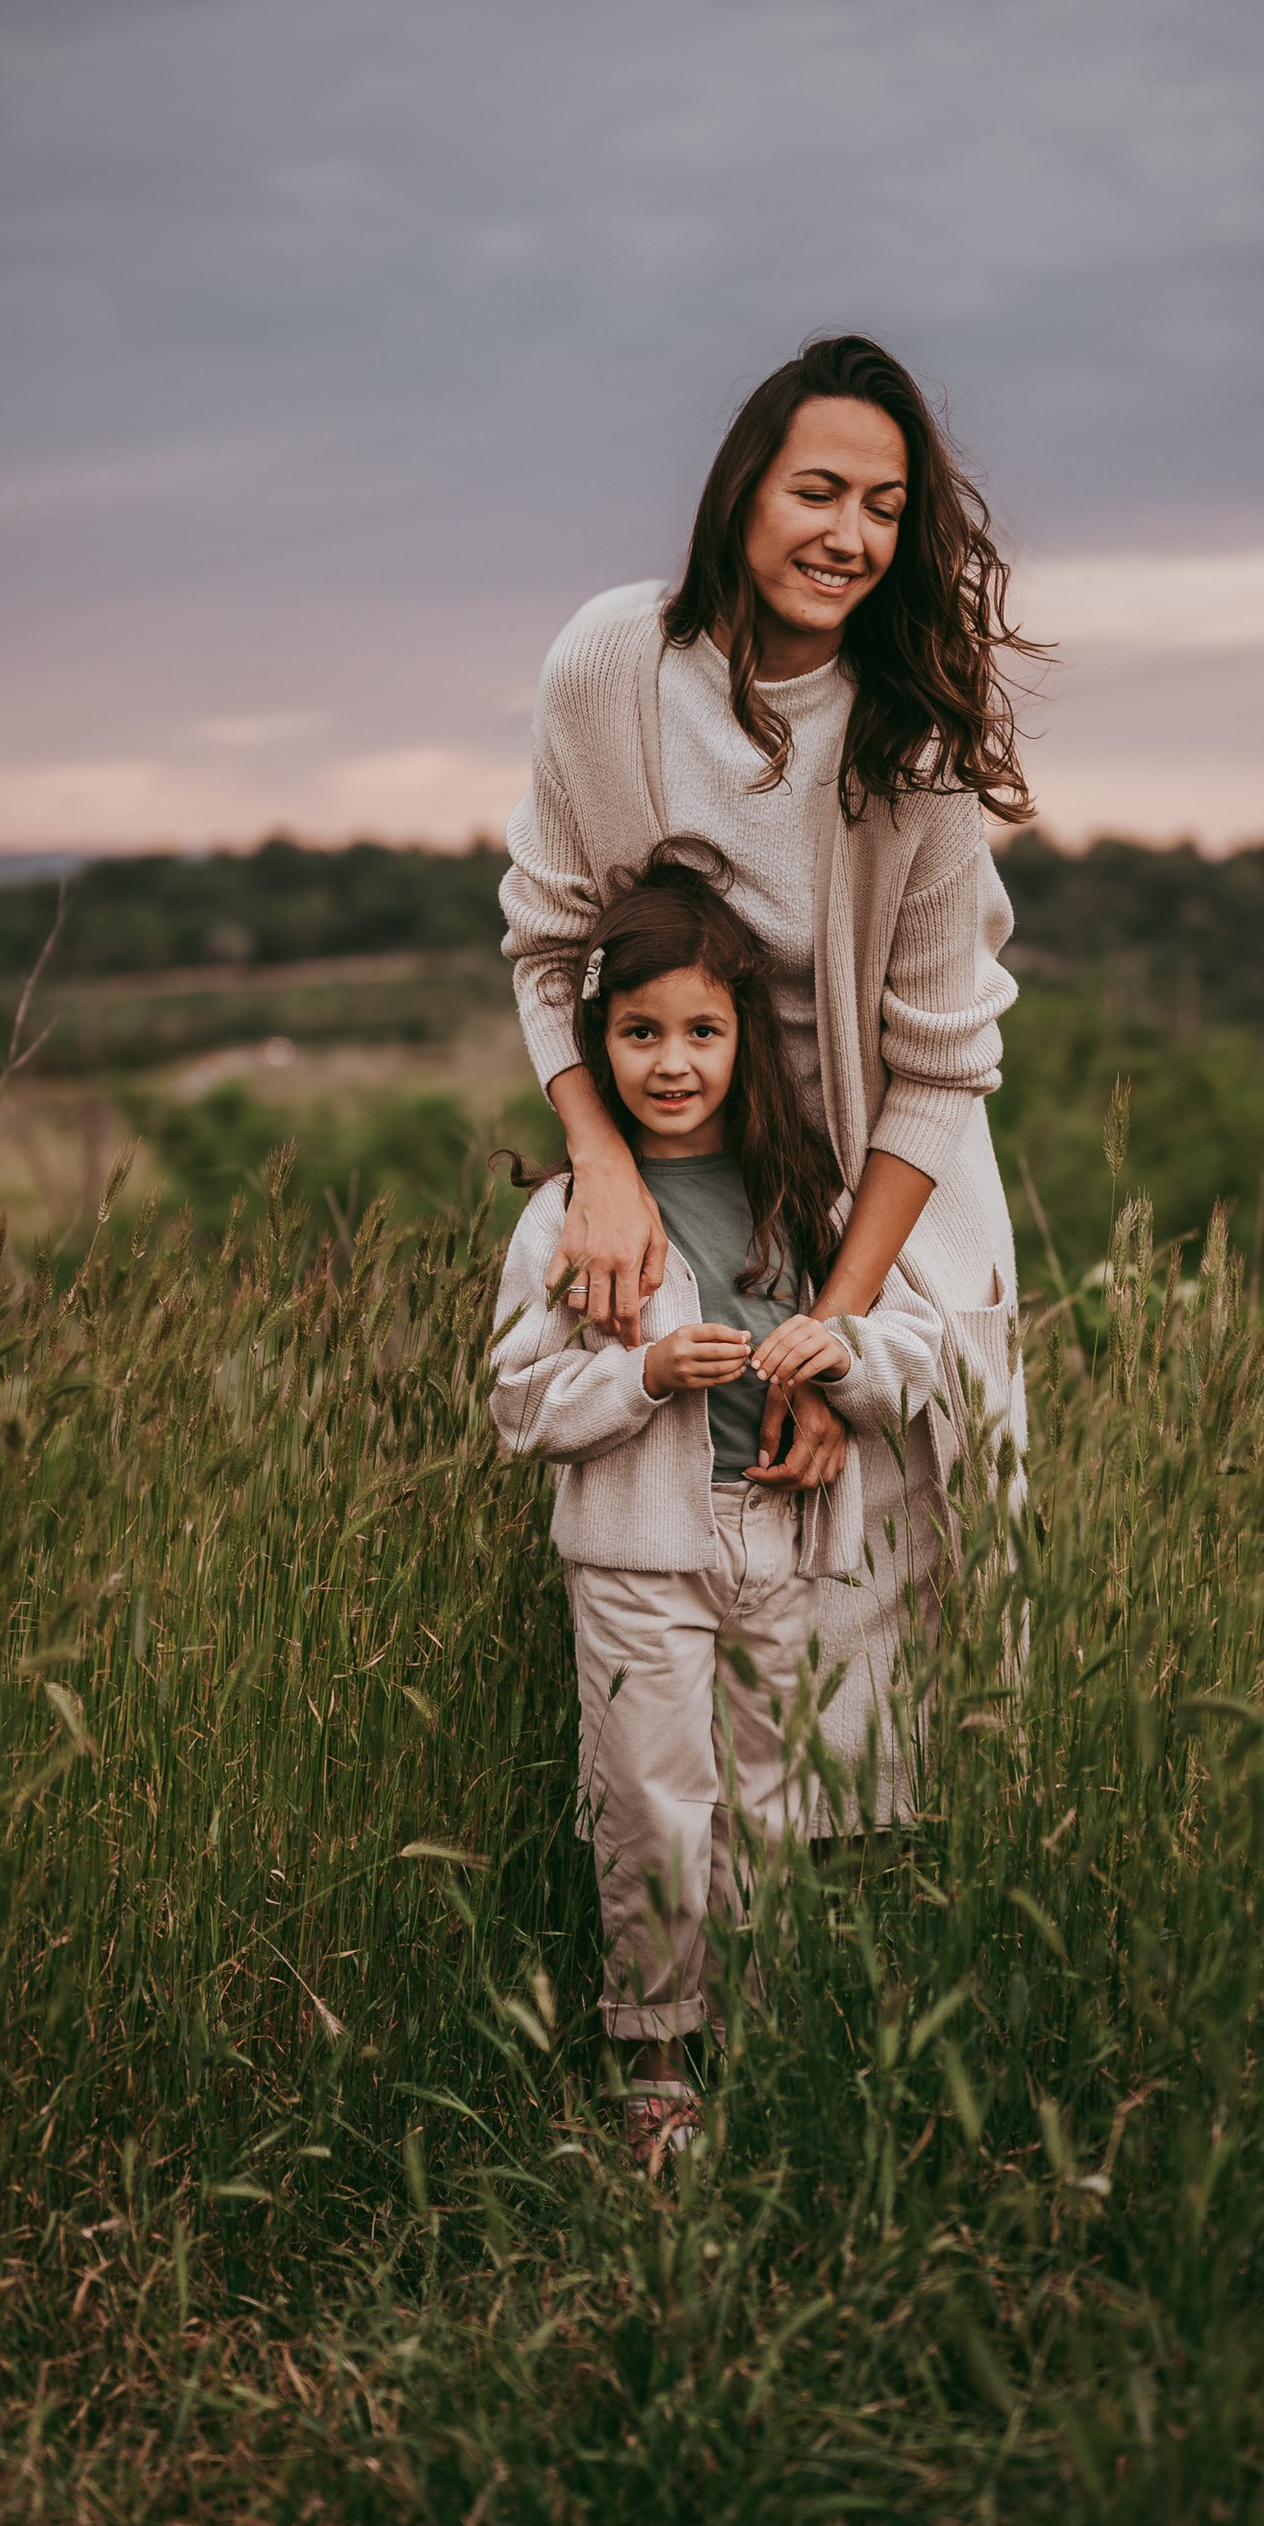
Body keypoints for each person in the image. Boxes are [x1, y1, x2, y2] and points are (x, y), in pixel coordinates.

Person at [500, 331, 1032, 1813]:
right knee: (663, 1585)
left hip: (882, 1207)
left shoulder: (910, 750)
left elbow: (937, 1074)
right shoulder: (612, 662)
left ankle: (862, 1985)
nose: (852, 536)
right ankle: (672, 1997)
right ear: (743, 491)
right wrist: (602, 1166)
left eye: (884, 506)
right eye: (819, 491)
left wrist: (840, 1339)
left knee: (880, 1658)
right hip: (670, 1167)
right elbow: (546, 946)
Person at [489, 855, 942, 2166]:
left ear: (747, 1040)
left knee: (778, 1808)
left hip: (786, 1546)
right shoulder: (570, 1219)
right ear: (598, 1042)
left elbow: (917, 1358)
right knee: (651, 1809)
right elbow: (520, 1404)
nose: (672, 1062)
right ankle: (656, 2072)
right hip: (636, 1558)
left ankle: (772, 2049)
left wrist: (841, 1363)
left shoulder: (816, 1202)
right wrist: (637, 1376)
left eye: (702, 1030)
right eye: (640, 1032)